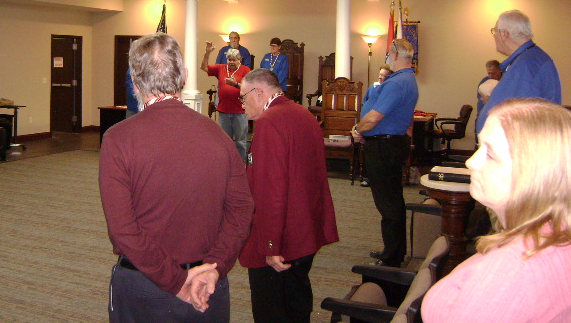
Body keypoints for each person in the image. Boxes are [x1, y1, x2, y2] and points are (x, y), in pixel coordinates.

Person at [99, 33, 254, 322]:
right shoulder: (218, 135)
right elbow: (242, 210)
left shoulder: (118, 139)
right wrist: (215, 267)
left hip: (145, 285)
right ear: (184, 76)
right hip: (207, 285)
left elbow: (123, 229)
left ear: (134, 82)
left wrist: (176, 282)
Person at [422, 99, 571, 323]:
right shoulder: (553, 234)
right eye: (480, 146)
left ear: (536, 175)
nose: (472, 162)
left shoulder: (514, 271)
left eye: (491, 154)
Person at [238, 68, 339, 323]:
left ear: (258, 92)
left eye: (243, 97)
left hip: (282, 239)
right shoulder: (302, 114)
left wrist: (270, 244)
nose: (242, 105)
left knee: (272, 309)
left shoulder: (269, 121)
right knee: (297, 301)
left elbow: (271, 190)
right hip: (305, 230)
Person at [351, 39, 418, 267]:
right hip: (390, 144)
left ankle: (392, 258)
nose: (387, 57)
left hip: (384, 147)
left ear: (395, 55)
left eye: (389, 54)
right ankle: (393, 250)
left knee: (388, 204)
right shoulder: (408, 79)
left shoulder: (396, 82)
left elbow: (373, 118)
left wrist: (357, 130)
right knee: (392, 201)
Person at [476, 9, 561, 134]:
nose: (494, 36)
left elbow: (511, 118)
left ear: (504, 34)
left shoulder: (525, 65)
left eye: (494, 31)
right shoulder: (533, 59)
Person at [201, 42, 251, 161]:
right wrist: (207, 53)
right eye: (229, 59)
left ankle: (241, 164)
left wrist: (236, 84)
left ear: (240, 60)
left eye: (234, 60)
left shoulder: (245, 70)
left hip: (240, 112)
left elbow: (249, 88)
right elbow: (204, 68)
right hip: (223, 111)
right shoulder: (221, 68)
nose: (231, 62)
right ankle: (226, 163)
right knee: (224, 141)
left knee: (240, 141)